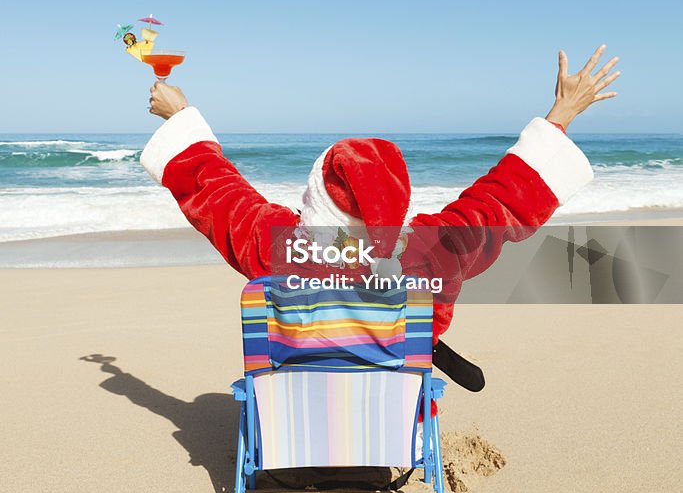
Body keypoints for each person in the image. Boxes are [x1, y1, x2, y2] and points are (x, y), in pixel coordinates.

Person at [140, 45, 619, 344]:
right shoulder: (434, 254)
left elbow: (213, 188)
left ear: (312, 198)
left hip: (291, 435)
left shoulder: (275, 246)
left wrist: (179, 116)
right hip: (390, 432)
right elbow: (500, 202)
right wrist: (561, 114)